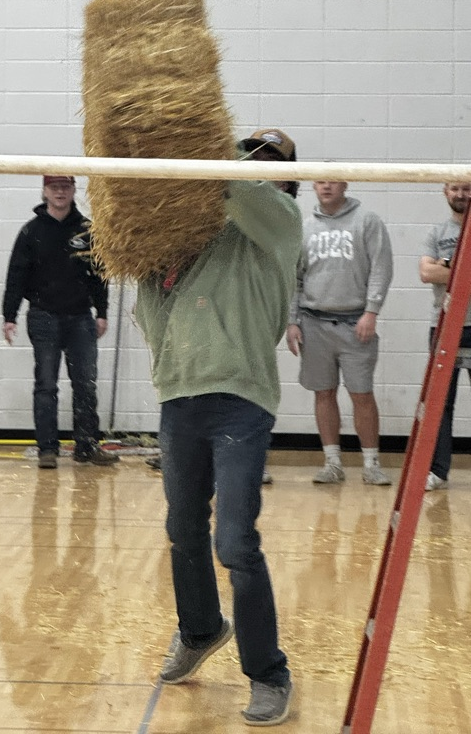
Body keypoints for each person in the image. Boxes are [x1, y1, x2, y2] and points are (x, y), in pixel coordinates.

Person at [134, 128, 300, 727]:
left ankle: (269, 673)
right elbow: (150, 298)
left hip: (240, 404)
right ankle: (201, 628)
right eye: (249, 154)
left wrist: (197, 139)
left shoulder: (280, 224)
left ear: (286, 177)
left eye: (268, 161)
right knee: (182, 530)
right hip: (180, 400)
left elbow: (234, 183)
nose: (256, 166)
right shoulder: (195, 233)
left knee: (234, 543)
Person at [2, 175, 118, 469]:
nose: (60, 192)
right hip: (44, 317)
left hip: (81, 318)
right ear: (44, 192)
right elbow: (16, 276)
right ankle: (47, 449)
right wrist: (9, 316)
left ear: (73, 191)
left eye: (65, 187)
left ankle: (87, 446)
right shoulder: (30, 232)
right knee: (46, 385)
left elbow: (100, 275)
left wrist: (101, 312)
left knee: (85, 384)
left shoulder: (88, 231)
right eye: (54, 187)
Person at [286, 180, 393, 485]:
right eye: (320, 181)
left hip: (355, 322)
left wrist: (371, 312)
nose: (326, 186)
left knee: (361, 394)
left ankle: (371, 463)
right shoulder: (305, 227)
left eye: (333, 181)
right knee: (323, 392)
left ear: (345, 184)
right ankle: (332, 462)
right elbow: (295, 277)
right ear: (314, 186)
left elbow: (381, 268)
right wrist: (292, 321)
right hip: (314, 322)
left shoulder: (367, 221)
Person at [419, 182, 471, 491]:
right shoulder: (436, 233)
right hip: (443, 326)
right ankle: (438, 472)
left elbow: (437, 271)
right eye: (455, 189)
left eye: (467, 189)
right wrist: (457, 269)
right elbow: (426, 274)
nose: (461, 195)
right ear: (445, 192)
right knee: (440, 403)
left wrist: (445, 265)